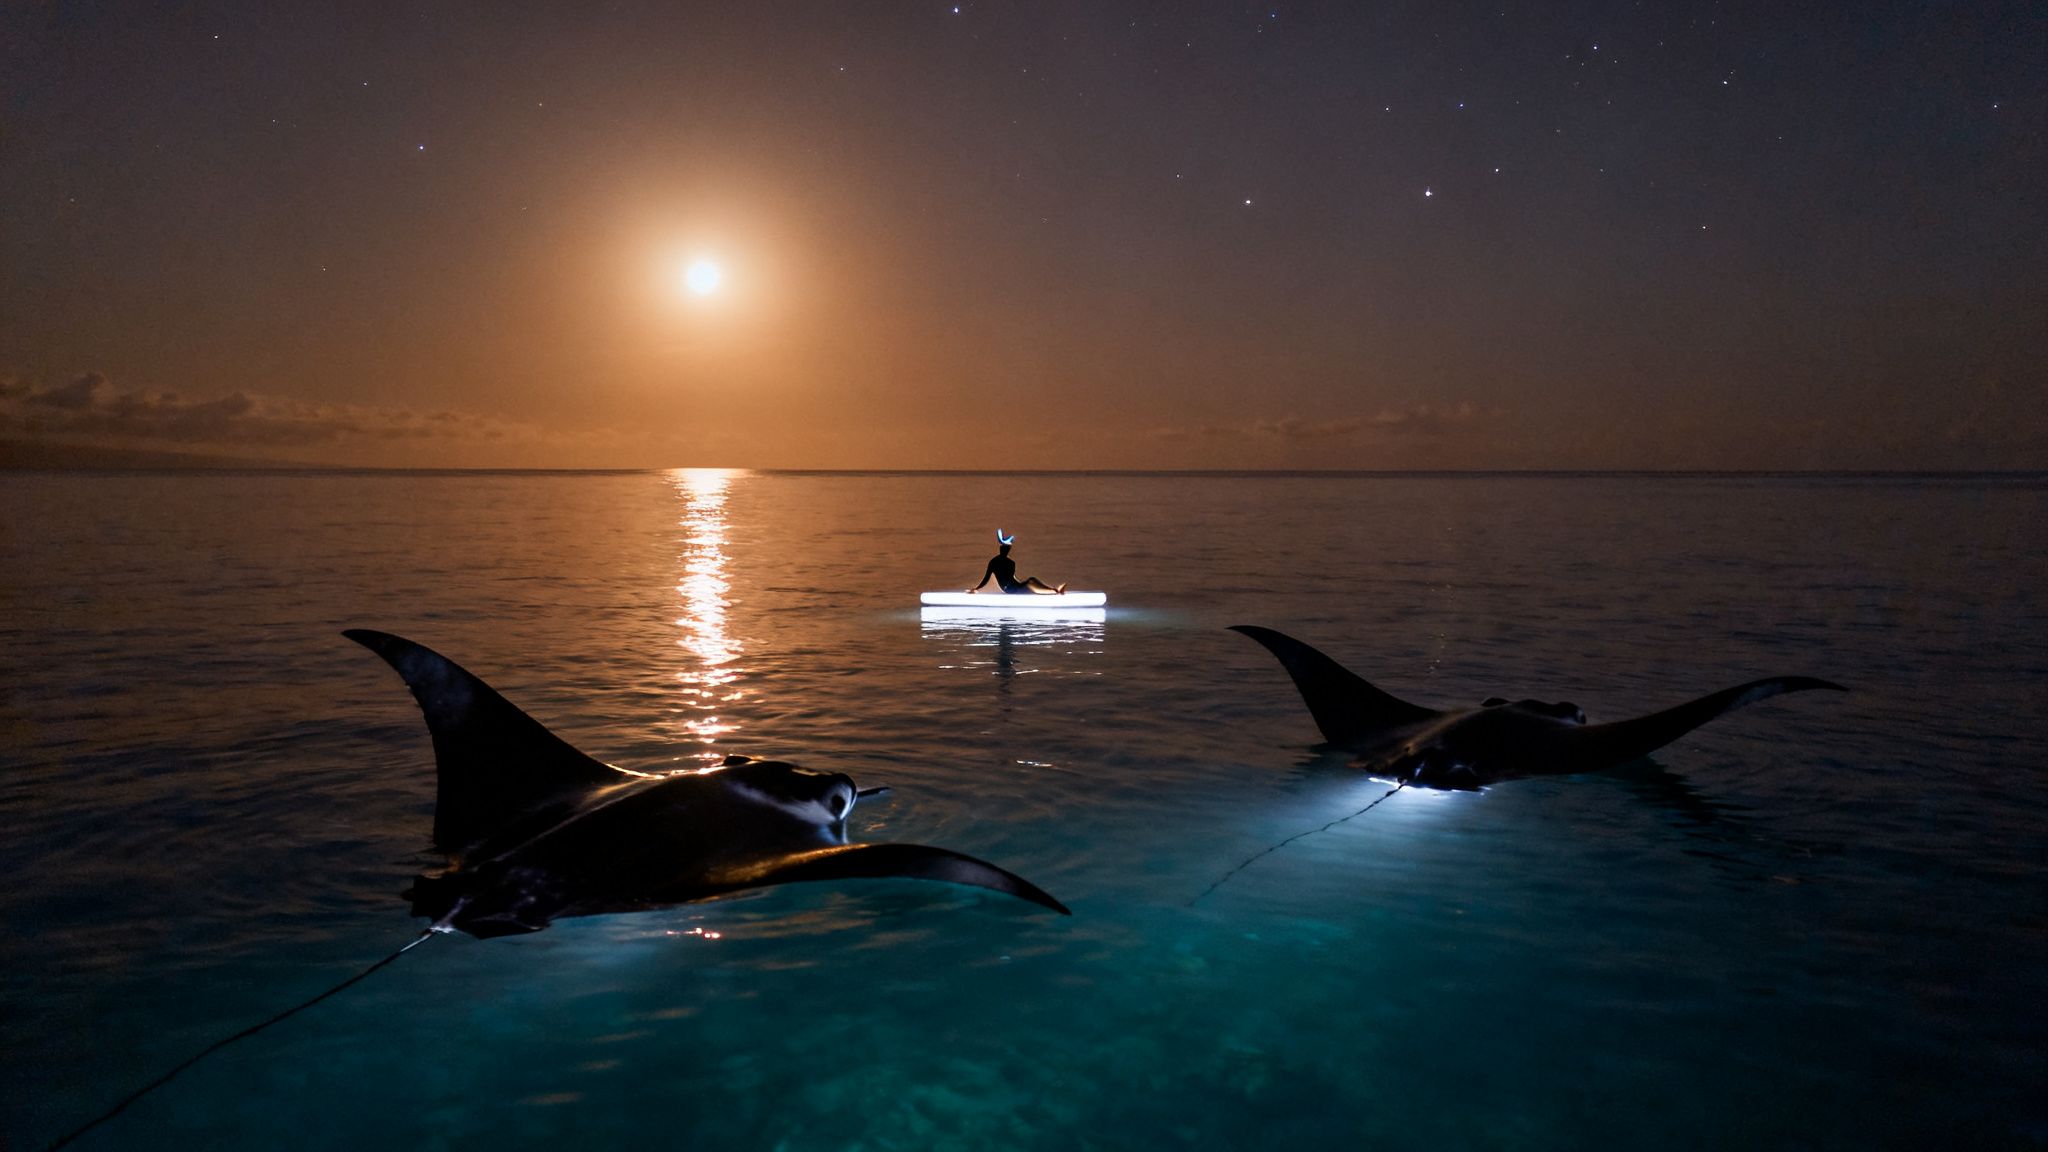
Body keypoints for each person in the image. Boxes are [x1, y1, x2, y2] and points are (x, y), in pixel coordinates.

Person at [968, 530, 1067, 595]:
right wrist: (976, 588)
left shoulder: (998, 562)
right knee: (1031, 581)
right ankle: (1054, 591)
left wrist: (976, 588)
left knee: (1030, 582)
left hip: (1010, 588)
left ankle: (1053, 591)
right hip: (1010, 589)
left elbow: (988, 578)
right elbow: (987, 579)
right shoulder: (1002, 562)